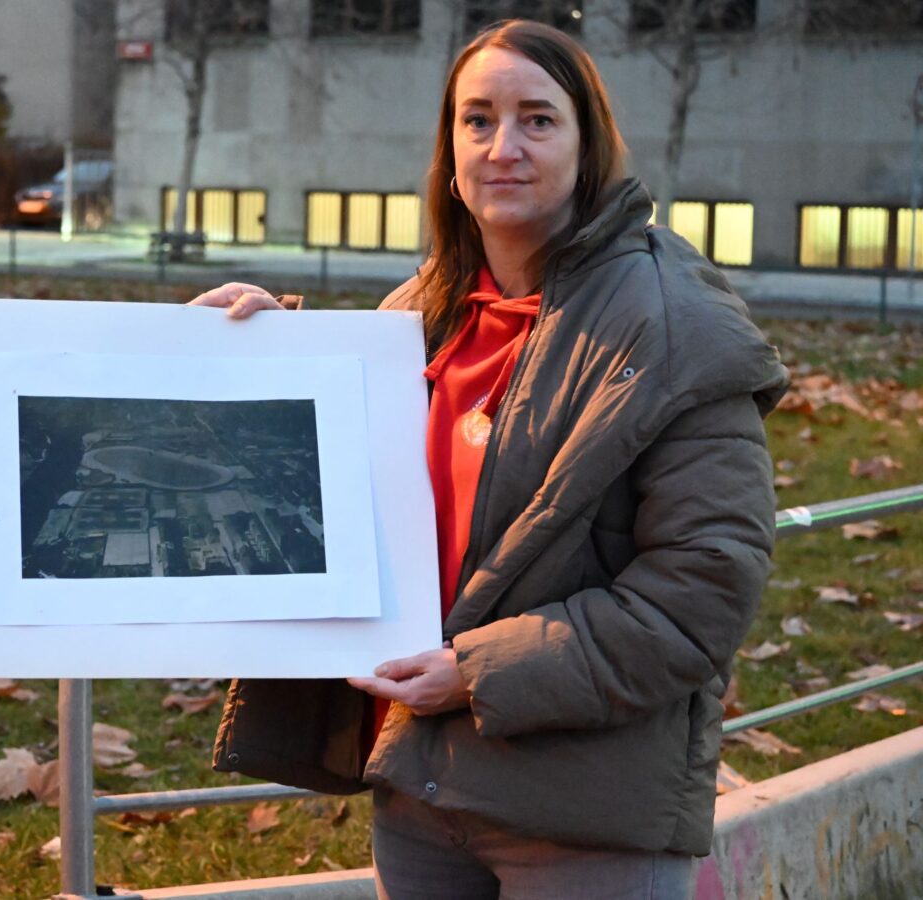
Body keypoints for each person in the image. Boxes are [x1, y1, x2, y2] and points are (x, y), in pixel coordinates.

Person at [194, 20, 788, 900]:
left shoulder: (673, 326)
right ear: (449, 148)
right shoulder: (421, 311)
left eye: (537, 119)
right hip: (423, 796)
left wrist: (474, 673)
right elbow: (332, 509)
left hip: (585, 818)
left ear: (589, 145)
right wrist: (268, 357)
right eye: (477, 120)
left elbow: (701, 593)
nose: (502, 146)